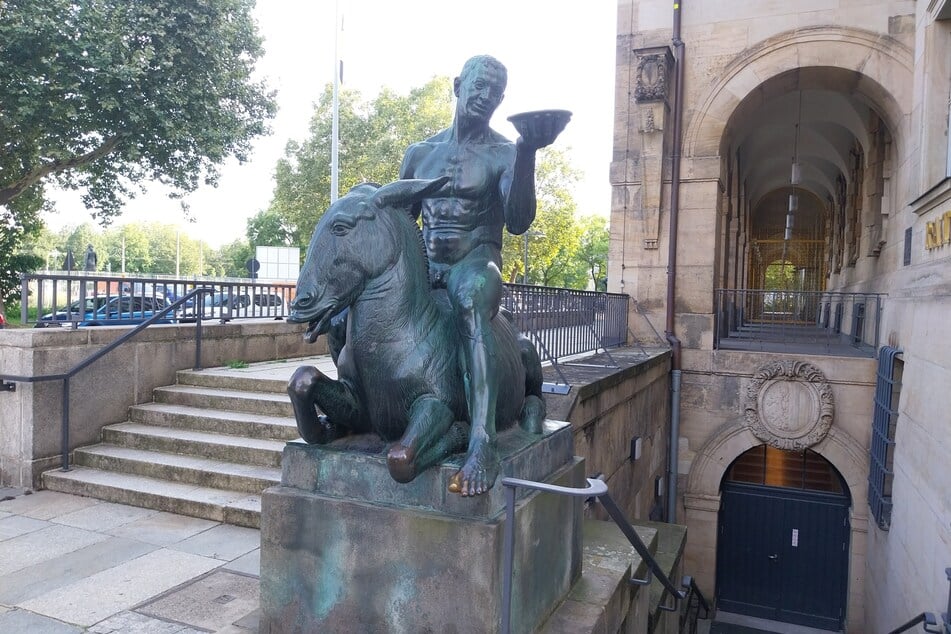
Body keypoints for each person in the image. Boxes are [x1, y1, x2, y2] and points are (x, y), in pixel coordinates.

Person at [399, 55, 561, 496]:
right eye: (478, 85)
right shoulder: (419, 154)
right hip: (429, 265)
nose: (485, 96)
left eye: (495, 90)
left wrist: (526, 153)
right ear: (457, 85)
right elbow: (400, 223)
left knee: (469, 297)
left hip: (476, 262)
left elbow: (520, 220)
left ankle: (482, 442)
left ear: (502, 99)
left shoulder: (505, 152)